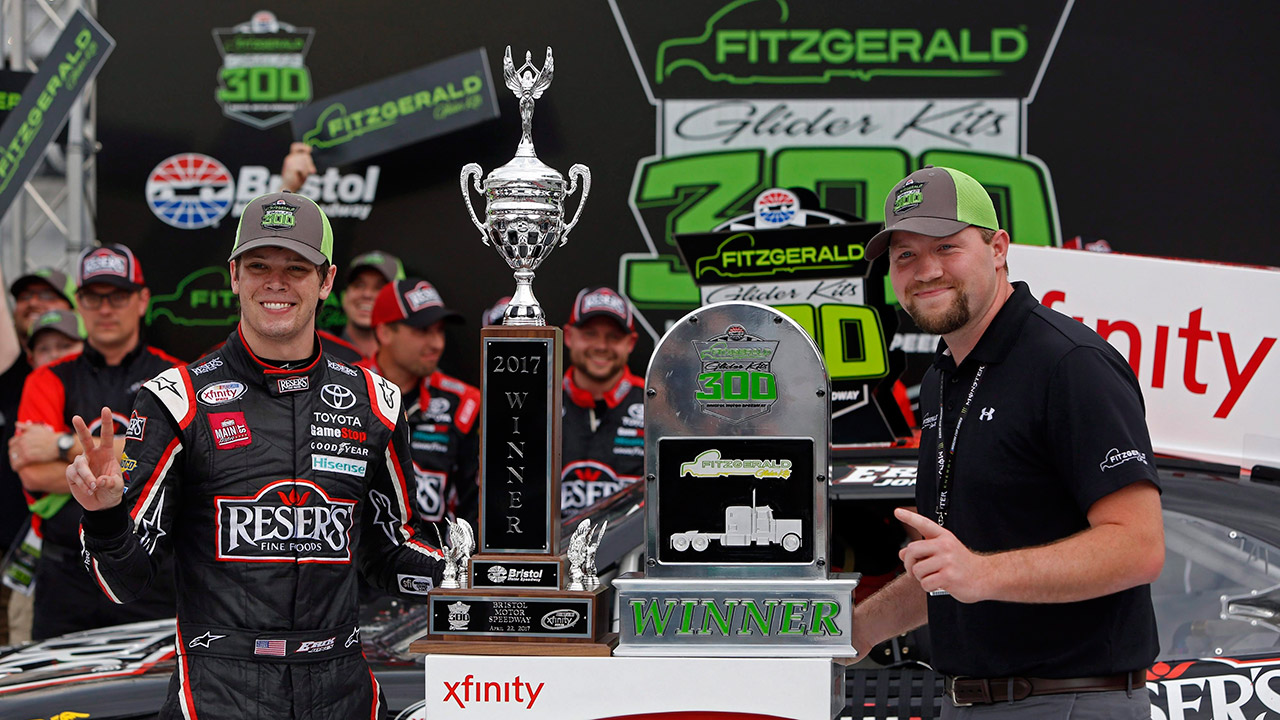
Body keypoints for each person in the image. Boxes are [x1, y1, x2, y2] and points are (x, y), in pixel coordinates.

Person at [72, 191, 443, 718]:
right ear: (234, 275)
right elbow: (122, 585)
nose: (277, 282)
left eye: (297, 267)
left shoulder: (376, 403)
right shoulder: (175, 400)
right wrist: (105, 516)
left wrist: (469, 578)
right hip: (219, 693)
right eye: (259, 265)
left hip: (342, 693)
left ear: (327, 281)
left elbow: (388, 553)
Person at [851, 166, 1163, 718]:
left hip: (1071, 700)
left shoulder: (1070, 362)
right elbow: (953, 569)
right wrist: (850, 634)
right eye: (905, 255)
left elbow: (1138, 547)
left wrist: (980, 574)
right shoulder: (943, 376)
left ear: (998, 248)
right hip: (968, 701)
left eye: (947, 247)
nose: (925, 271)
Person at [14, 245, 182, 639]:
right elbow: (33, 472)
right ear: (79, 304)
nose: (105, 309)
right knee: (52, 697)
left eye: (118, 296)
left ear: (141, 300)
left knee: (148, 698)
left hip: (149, 572)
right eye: (93, 297)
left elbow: (174, 464)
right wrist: (134, 465)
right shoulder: (47, 377)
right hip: (65, 578)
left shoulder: (176, 375)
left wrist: (60, 446)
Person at [361, 278, 479, 525]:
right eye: (422, 331)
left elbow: (474, 508)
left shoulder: (463, 404)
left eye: (440, 331)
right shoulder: (347, 392)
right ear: (384, 332)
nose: (437, 344)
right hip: (361, 560)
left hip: (438, 558)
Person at [0, 266, 75, 645]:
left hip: (79, 556)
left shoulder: (105, 382)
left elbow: (133, 465)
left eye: (46, 295)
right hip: (26, 549)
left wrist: (59, 446)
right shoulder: (19, 375)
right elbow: (32, 474)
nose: (54, 355)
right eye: (44, 347)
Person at [280, 141, 405, 362]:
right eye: (358, 285)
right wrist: (286, 189)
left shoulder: (414, 364)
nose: (367, 294)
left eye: (380, 287)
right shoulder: (313, 351)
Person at [560, 286, 644, 517]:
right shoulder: (537, 402)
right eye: (590, 333)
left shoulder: (657, 404)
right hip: (553, 551)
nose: (601, 346)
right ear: (568, 336)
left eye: (614, 337)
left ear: (631, 342)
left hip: (628, 550)